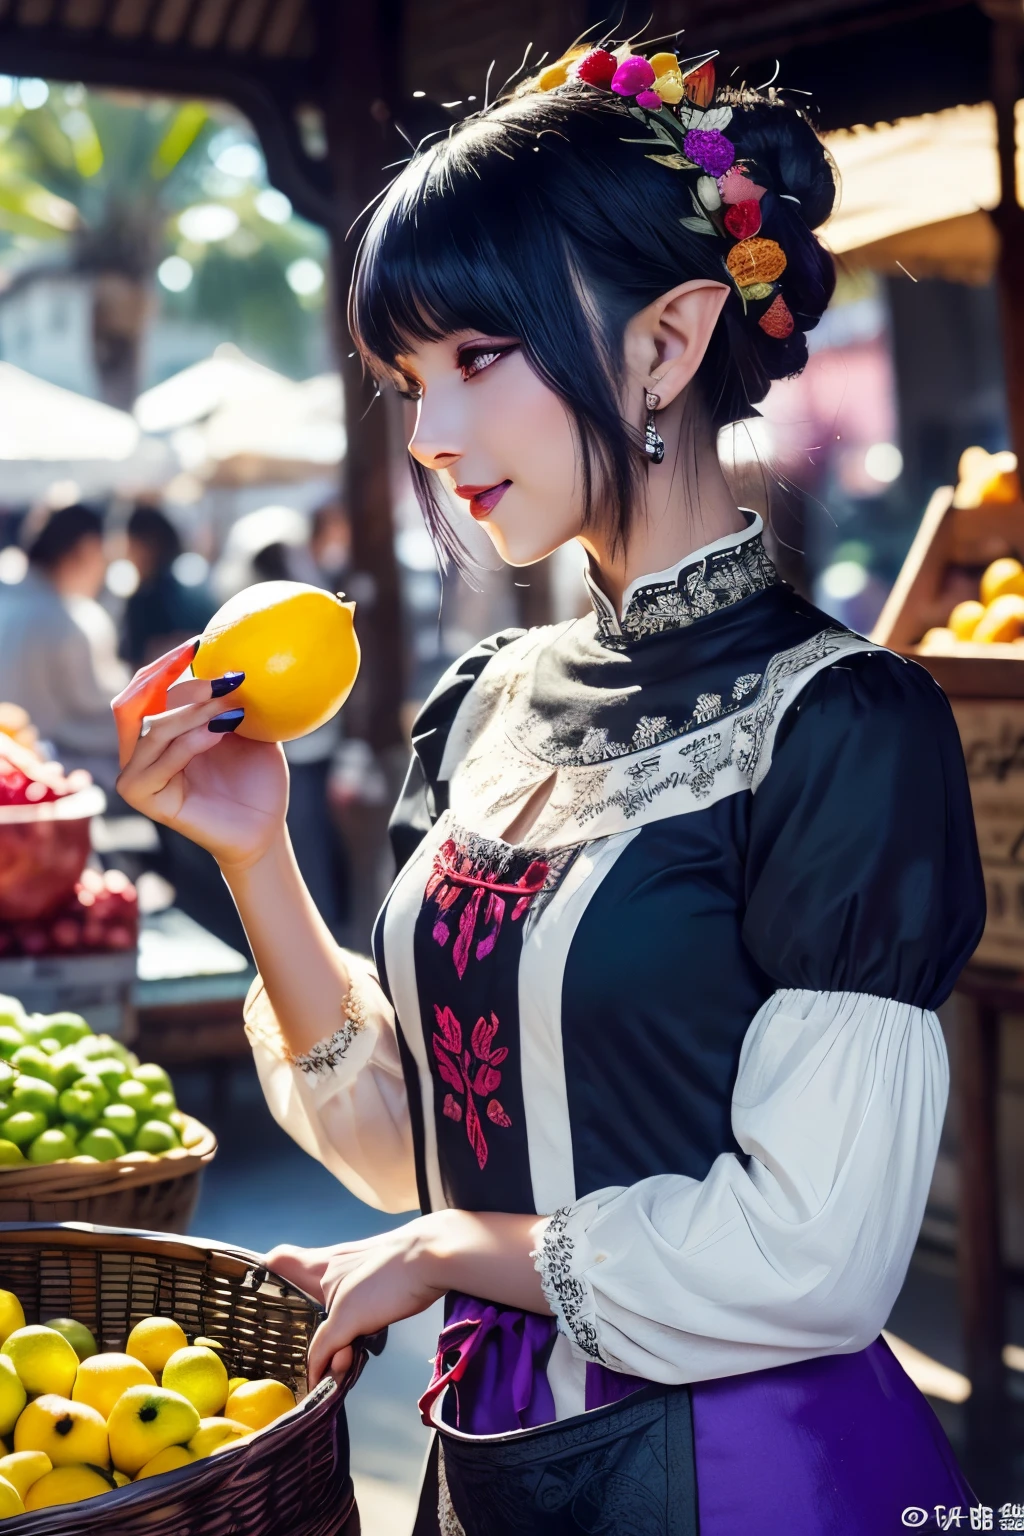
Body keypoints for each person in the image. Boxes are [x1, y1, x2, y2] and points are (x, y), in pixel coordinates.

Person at [113, 42, 986, 1535]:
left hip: (749, 1479)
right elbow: (408, 1143)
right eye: (407, 380)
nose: (433, 438)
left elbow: (818, 1255)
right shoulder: (483, 711)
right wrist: (256, 859)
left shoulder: (845, 728)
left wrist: (456, 1247)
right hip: (495, 1455)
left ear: (669, 340)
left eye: (477, 358)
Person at [0, 503, 126, 794]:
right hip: (52, 772)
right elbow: (113, 717)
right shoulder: (73, 619)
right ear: (87, 549)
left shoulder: (8, 602)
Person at [120, 504, 214, 670]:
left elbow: (136, 661)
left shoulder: (144, 599)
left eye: (128, 544)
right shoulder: (197, 578)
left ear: (146, 546)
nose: (125, 553)